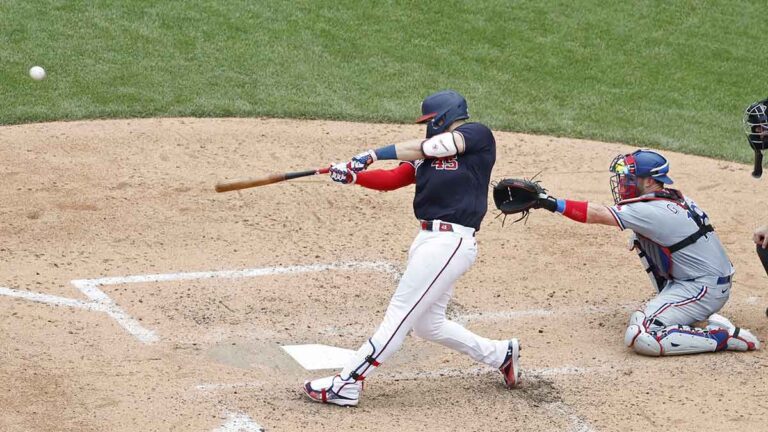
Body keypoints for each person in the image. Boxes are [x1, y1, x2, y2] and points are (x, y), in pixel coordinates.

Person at [302, 90, 520, 407]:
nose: (427, 126)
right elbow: (392, 179)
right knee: (428, 324)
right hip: (427, 242)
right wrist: (354, 176)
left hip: (450, 242)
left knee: (398, 318)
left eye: (430, 120)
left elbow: (427, 147)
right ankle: (501, 354)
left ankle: (347, 383)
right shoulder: (424, 158)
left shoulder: (476, 137)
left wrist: (371, 153)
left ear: (445, 115)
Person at [529, 149, 760, 356]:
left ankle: (725, 337)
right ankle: (679, 308)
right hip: (703, 281)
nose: (622, 184)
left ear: (649, 181)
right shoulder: (672, 198)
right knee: (639, 238)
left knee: (642, 336)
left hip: (702, 288)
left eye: (630, 178)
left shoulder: (650, 211)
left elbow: (597, 214)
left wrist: (549, 203)